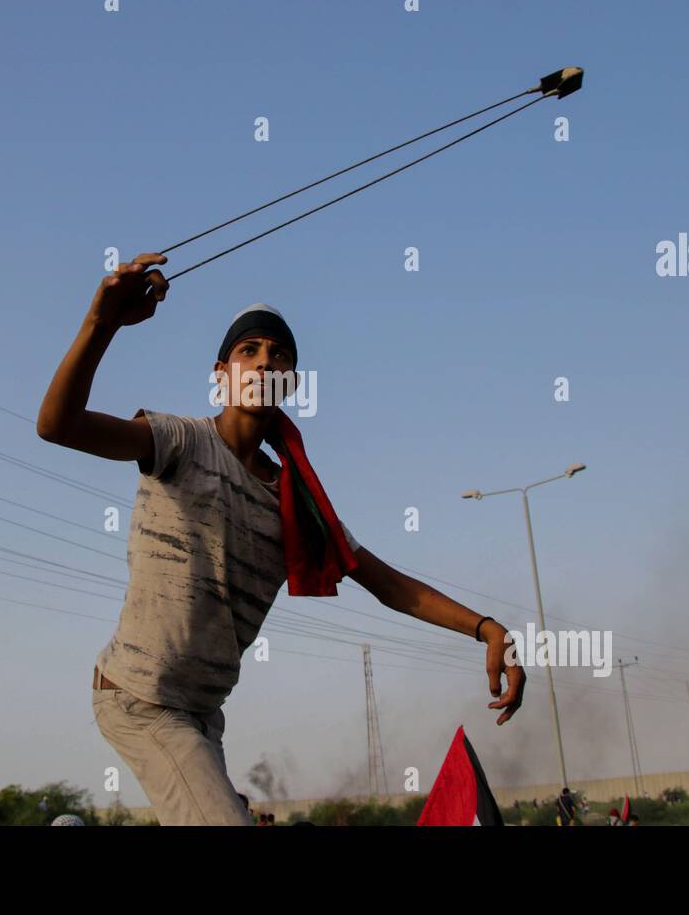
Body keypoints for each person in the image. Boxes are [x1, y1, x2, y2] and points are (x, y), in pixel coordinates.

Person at [36, 257, 527, 826]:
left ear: (291, 383)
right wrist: (102, 323)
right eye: (250, 351)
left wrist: (488, 629)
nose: (265, 361)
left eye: (280, 356)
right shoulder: (178, 441)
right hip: (140, 698)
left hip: (202, 714)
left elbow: (389, 585)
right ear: (220, 374)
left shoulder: (296, 503)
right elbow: (58, 425)